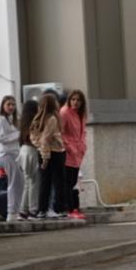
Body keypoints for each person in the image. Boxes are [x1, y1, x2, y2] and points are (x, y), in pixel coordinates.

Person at [30, 92, 66, 219]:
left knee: (44, 182)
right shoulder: (52, 119)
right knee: (58, 182)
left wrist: (40, 148)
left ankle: (42, 210)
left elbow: (34, 138)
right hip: (54, 153)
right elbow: (45, 138)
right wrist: (46, 156)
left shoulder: (37, 119)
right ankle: (60, 209)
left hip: (42, 152)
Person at [0, 95, 24, 222]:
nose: (11, 107)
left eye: (13, 104)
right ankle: (11, 213)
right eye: (8, 104)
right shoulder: (0, 120)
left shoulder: (14, 119)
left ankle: (17, 211)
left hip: (15, 153)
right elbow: (0, 138)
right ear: (3, 106)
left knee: (20, 182)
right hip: (6, 154)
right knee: (13, 182)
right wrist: (17, 135)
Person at [60, 89, 89, 220]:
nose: (75, 102)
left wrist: (82, 146)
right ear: (69, 100)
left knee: (73, 181)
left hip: (78, 151)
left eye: (78, 100)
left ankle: (74, 208)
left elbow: (83, 132)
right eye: (73, 99)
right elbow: (61, 133)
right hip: (68, 151)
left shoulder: (81, 113)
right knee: (67, 181)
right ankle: (70, 209)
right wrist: (70, 147)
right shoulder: (65, 112)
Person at [18, 96, 41, 219]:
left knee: (28, 182)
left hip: (23, 151)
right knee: (33, 182)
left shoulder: (23, 122)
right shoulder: (34, 122)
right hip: (32, 151)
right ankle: (33, 210)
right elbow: (35, 140)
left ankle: (23, 210)